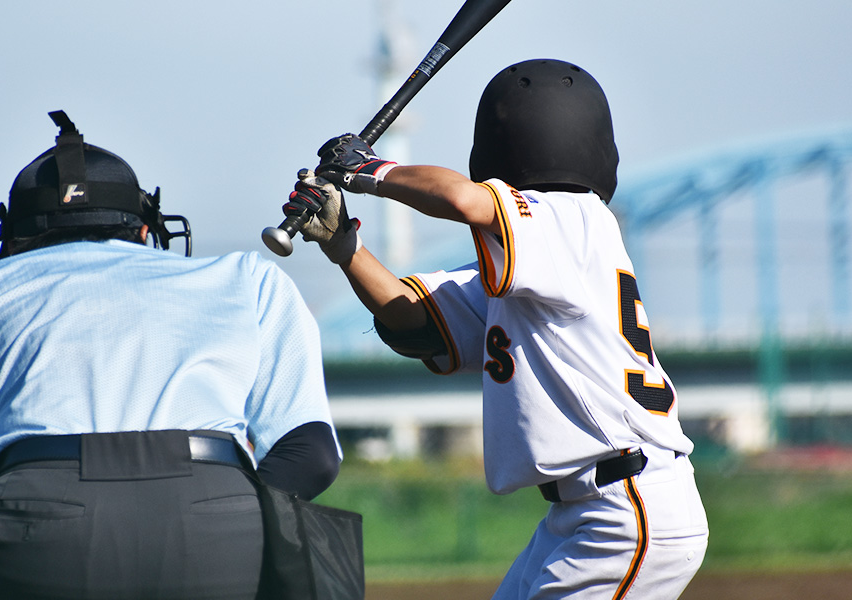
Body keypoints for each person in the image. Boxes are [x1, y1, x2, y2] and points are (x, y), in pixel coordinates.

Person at [284, 59, 708, 599]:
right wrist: (346, 249)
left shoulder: (572, 218)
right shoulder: (534, 263)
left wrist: (370, 171)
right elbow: (416, 327)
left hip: (628, 510)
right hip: (587, 512)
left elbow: (464, 200)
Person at [0, 111, 340, 600]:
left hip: (36, 515)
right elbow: (312, 454)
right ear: (148, 230)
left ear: (12, 239)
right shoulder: (243, 278)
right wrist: (227, 511)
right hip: (217, 512)